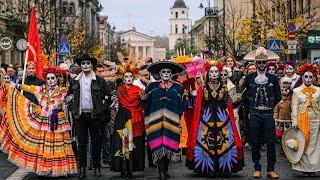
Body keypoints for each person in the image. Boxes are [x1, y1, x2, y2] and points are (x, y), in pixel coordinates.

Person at [0, 66, 77, 176]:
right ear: (46, 80)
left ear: (56, 79)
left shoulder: (62, 90)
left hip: (58, 121)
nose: (51, 80)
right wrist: (13, 85)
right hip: (45, 119)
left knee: (58, 145)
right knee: (45, 145)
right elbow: (28, 88)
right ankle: (46, 169)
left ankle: (59, 169)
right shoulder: (41, 89)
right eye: (49, 78)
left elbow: (70, 92)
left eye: (53, 78)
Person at [186, 61, 244, 177]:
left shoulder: (225, 86)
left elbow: (229, 102)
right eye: (211, 71)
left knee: (225, 140)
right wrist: (192, 96)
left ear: (219, 73)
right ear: (208, 73)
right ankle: (207, 167)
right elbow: (198, 104)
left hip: (222, 117)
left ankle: (223, 168)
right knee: (205, 142)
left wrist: (237, 100)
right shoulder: (203, 87)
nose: (213, 74)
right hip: (206, 118)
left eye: (216, 72)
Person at [240, 47, 281, 179]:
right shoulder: (249, 78)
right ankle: (257, 167)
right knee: (255, 141)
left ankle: (271, 169)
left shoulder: (273, 78)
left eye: (264, 62)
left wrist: (270, 107)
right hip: (255, 114)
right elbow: (242, 95)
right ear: (256, 64)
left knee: (270, 141)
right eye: (259, 62)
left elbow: (278, 96)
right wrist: (251, 108)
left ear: (266, 63)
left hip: (268, 114)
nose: (262, 65)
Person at [68, 54, 111, 178]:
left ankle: (97, 167)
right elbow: (69, 97)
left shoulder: (99, 80)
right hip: (80, 116)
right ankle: (82, 168)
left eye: (88, 63)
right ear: (81, 66)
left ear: (92, 65)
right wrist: (73, 109)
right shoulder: (74, 81)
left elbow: (107, 98)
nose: (85, 65)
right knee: (82, 143)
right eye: (83, 64)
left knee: (96, 142)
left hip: (94, 116)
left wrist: (101, 110)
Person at [144, 61, 186, 180]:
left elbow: (182, 104)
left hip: (172, 121)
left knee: (170, 144)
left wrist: (178, 116)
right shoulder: (151, 87)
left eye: (168, 72)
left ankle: (166, 169)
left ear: (172, 73)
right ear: (159, 73)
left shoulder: (178, 87)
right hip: (155, 120)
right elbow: (146, 103)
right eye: (164, 72)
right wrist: (147, 118)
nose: (166, 74)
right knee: (158, 144)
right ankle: (161, 171)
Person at [111, 65, 145, 178]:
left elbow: (143, 102)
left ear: (133, 78)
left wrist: (144, 99)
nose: (129, 78)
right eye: (126, 76)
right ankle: (122, 168)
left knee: (133, 144)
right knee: (123, 143)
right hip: (123, 118)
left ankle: (131, 168)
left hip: (135, 119)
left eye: (131, 76)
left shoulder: (138, 90)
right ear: (124, 78)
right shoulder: (120, 89)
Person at [290, 64, 320, 176]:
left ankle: (312, 169)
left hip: (316, 120)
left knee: (314, 145)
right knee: (304, 143)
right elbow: (294, 107)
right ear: (302, 77)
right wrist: (294, 122)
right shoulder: (297, 91)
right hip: (302, 120)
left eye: (310, 77)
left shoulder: (318, 91)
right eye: (306, 76)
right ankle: (304, 168)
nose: (308, 79)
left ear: (314, 77)